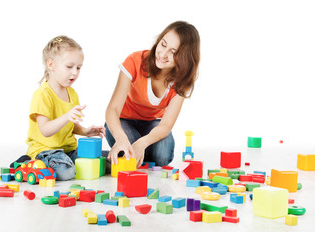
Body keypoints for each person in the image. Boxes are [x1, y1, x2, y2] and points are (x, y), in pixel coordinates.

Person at [105, 21, 200, 168]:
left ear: (185, 58)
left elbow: (166, 124)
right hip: (123, 120)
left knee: (162, 156)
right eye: (163, 44)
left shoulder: (182, 82)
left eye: (173, 52)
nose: (163, 54)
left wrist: (143, 143)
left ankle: (131, 154)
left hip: (151, 123)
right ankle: (119, 152)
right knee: (130, 146)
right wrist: (121, 138)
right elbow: (113, 109)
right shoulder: (135, 61)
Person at [13, 35, 105, 180]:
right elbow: (45, 130)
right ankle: (28, 162)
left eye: (78, 68)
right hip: (46, 151)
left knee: (101, 161)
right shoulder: (42, 95)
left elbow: (70, 126)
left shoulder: (72, 93)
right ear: (51, 64)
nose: (75, 72)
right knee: (66, 171)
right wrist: (66, 116)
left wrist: (85, 131)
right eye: (69, 67)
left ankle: (70, 162)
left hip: (68, 150)